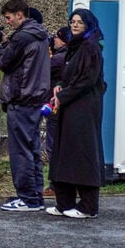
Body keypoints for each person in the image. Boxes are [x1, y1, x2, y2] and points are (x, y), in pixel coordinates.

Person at [0, 0, 50, 212]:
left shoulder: (22, 36)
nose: (8, 22)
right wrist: (6, 42)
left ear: (19, 15)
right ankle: (35, 196)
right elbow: (20, 58)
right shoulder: (39, 34)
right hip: (35, 99)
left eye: (9, 18)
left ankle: (27, 198)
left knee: (21, 152)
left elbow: (6, 63)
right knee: (32, 150)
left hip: (21, 99)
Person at [46, 9, 106, 219]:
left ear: (88, 24)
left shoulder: (91, 48)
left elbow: (87, 80)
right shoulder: (75, 46)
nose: (75, 25)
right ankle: (64, 203)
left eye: (79, 22)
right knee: (64, 153)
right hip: (70, 105)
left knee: (82, 154)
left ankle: (88, 206)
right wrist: (60, 86)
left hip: (84, 108)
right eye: (72, 21)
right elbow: (69, 75)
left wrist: (64, 95)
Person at [45, 26, 70, 196]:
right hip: (66, 107)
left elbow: (42, 71)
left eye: (56, 37)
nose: (53, 40)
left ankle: (55, 184)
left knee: (53, 144)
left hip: (55, 106)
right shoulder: (69, 56)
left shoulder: (58, 59)